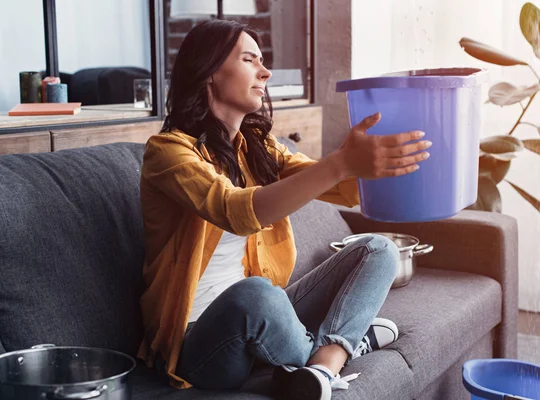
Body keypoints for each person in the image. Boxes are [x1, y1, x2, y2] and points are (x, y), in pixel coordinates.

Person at [137, 19, 432, 400]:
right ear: (209, 71)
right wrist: (341, 163)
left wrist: (384, 159)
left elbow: (338, 188)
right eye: (250, 60)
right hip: (200, 341)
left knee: (378, 249)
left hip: (269, 315)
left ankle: (322, 367)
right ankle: (340, 345)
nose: (266, 71)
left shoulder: (257, 148)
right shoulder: (168, 152)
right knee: (257, 294)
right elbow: (234, 210)